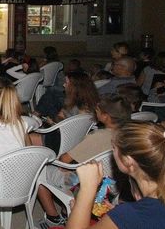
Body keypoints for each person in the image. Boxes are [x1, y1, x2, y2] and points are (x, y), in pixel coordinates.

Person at [64, 122, 165, 229]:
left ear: (128, 161)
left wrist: (88, 189)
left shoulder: (130, 215)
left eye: (114, 148)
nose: (112, 152)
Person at [35, 94, 131, 227]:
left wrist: (58, 160)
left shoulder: (98, 136)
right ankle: (66, 212)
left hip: (82, 182)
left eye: (98, 110)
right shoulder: (129, 136)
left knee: (38, 172)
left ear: (106, 116)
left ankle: (53, 217)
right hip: (113, 185)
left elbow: (65, 160)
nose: (95, 111)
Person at [30, 71, 99, 153]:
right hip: (67, 136)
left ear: (74, 87)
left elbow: (73, 133)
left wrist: (53, 124)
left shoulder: (82, 110)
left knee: (26, 137)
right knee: (51, 96)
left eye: (66, 83)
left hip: (65, 143)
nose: (63, 85)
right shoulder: (81, 102)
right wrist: (58, 121)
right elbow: (62, 116)